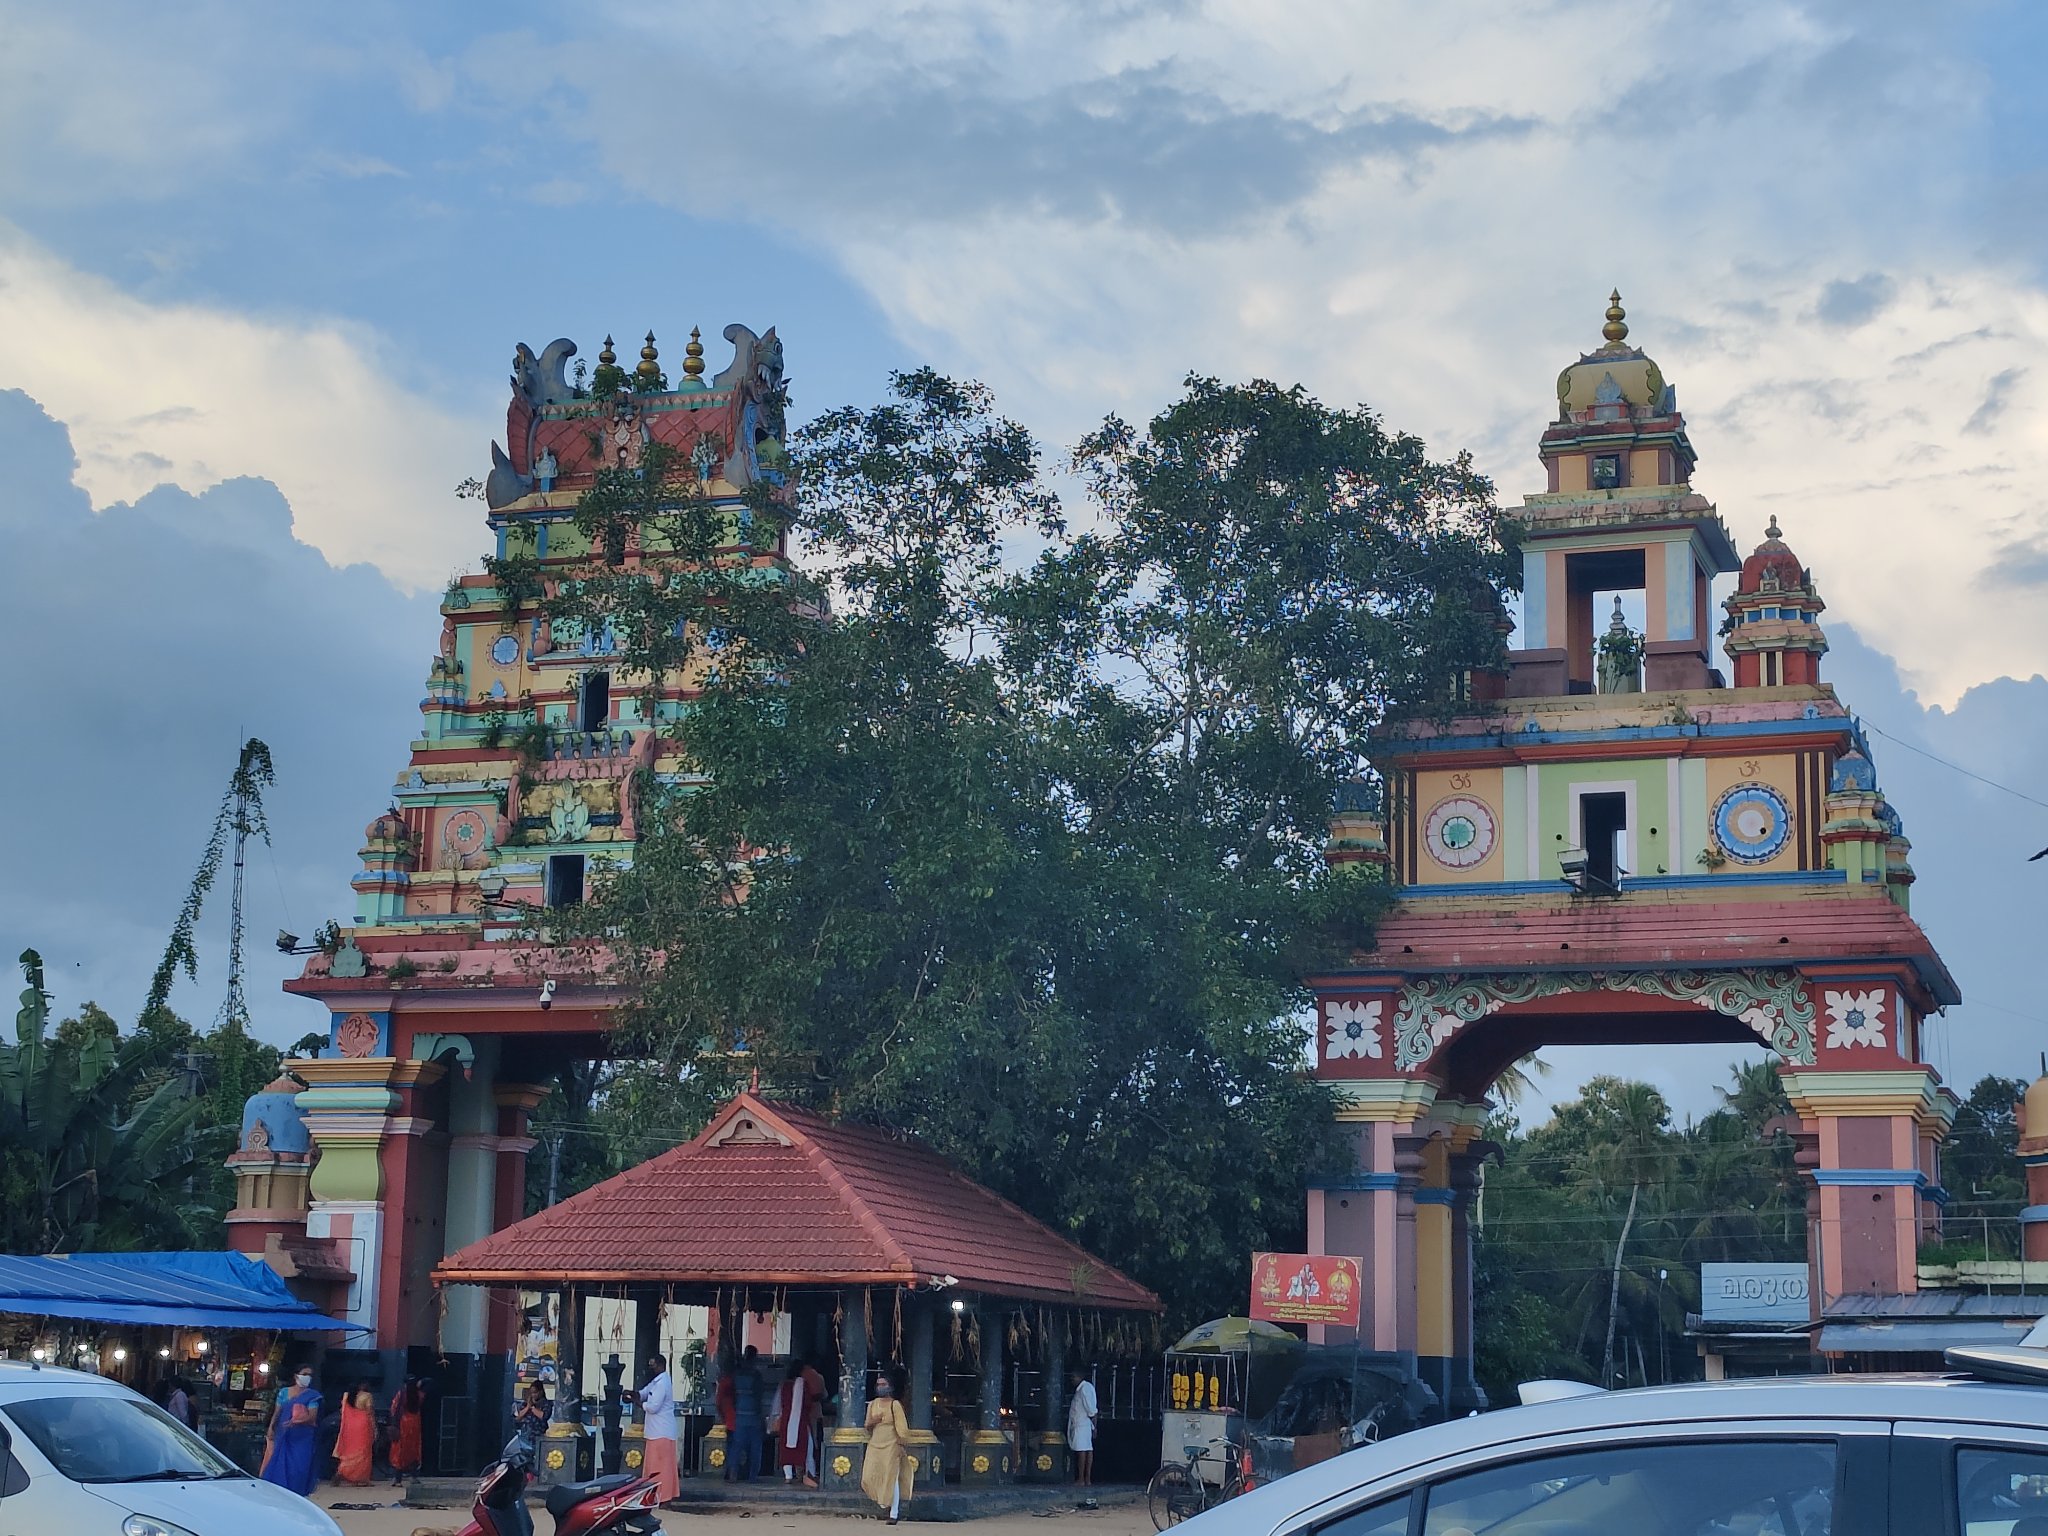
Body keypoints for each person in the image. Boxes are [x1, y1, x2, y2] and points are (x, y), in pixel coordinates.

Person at [260, 1364, 323, 1497]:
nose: (308, 1377)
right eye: (305, 1374)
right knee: (281, 1463)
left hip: (303, 1436)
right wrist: (271, 1428)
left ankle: (297, 1493)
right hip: (284, 1433)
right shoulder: (284, 1392)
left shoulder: (312, 1396)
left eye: (310, 1375)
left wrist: (296, 1421)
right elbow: (277, 1413)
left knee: (300, 1466)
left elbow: (312, 1417)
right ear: (296, 1376)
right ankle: (281, 1493)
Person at [627, 1352, 680, 1505]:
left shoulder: (663, 1383)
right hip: (655, 1432)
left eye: (653, 1365)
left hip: (662, 1432)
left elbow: (653, 1407)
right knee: (654, 1466)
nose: (651, 1368)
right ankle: (655, 1495)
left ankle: (663, 1497)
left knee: (661, 1468)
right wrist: (632, 1394)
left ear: (661, 1365)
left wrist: (636, 1403)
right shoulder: (657, 1381)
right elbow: (643, 1393)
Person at [860, 1376, 914, 1525]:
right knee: (867, 1476)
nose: (880, 1386)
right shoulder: (872, 1404)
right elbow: (867, 1425)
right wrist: (874, 1421)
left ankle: (893, 1513)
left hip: (891, 1445)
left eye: (883, 1384)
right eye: (878, 1384)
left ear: (890, 1386)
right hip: (875, 1444)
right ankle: (884, 1502)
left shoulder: (895, 1405)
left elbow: (902, 1427)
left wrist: (901, 1443)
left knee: (892, 1478)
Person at [773, 1356, 820, 1486]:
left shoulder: (784, 1385)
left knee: (786, 1447)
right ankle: (806, 1473)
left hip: (786, 1420)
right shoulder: (803, 1384)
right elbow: (808, 1403)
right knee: (806, 1447)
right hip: (802, 1421)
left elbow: (780, 1404)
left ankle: (788, 1476)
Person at [333, 1382, 376, 1486]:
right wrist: (374, 1427)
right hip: (364, 1425)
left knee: (349, 1451)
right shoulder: (367, 1396)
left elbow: (342, 1411)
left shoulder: (346, 1396)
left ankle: (341, 1471)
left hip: (350, 1426)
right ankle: (361, 1478)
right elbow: (370, 1411)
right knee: (364, 1452)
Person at [1067, 1368, 1099, 1498]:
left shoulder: (1085, 1389)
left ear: (1079, 1377)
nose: (1072, 1380)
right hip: (1081, 1424)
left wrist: (1094, 1426)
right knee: (1085, 1450)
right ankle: (1085, 1479)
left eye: (1073, 1377)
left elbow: (1091, 1409)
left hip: (1083, 1424)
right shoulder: (1082, 1389)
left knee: (1083, 1451)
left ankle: (1083, 1479)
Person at [389, 1378, 425, 1486]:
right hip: (415, 1424)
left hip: (403, 1423)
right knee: (414, 1450)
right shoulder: (419, 1395)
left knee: (400, 1451)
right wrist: (420, 1383)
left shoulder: (401, 1395)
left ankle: (397, 1479)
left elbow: (394, 1408)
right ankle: (413, 1476)